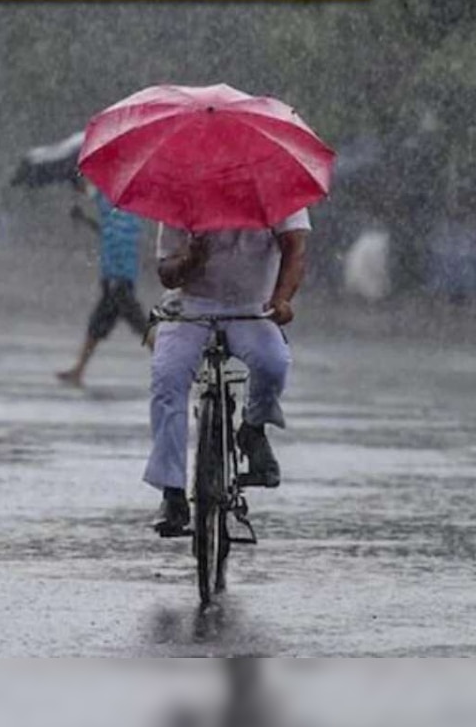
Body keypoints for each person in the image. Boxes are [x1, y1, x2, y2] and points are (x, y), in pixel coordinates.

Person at [148, 209, 310, 535]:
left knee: (273, 363)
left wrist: (282, 299)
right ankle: (172, 491)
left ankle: (253, 428)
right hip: (192, 307)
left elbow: (295, 249)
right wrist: (189, 261)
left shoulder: (275, 188)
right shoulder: (183, 192)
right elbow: (166, 272)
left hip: (252, 308)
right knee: (167, 378)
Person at [56, 185, 150, 387]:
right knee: (97, 327)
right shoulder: (127, 209)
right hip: (117, 278)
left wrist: (80, 211)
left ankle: (173, 368)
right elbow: (107, 232)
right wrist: (83, 219)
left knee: (141, 326)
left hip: (117, 279)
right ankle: (78, 370)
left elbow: (111, 234)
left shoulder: (110, 201)